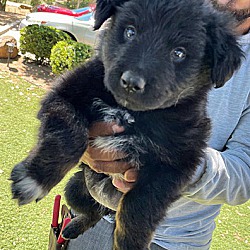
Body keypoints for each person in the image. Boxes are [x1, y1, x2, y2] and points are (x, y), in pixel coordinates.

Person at [68, 0, 250, 249]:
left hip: (170, 239)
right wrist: (85, 134)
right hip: (91, 203)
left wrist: (176, 162)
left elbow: (245, 171)